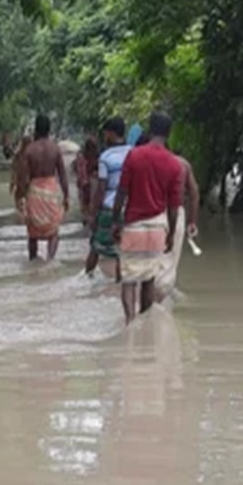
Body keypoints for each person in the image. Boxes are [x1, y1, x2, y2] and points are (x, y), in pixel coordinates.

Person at [111, 111, 184, 325]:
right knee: (149, 278)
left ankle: (130, 323)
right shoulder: (173, 164)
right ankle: (144, 322)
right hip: (157, 227)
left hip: (134, 225)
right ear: (169, 134)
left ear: (149, 129)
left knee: (129, 279)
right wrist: (170, 232)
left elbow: (122, 193)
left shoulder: (134, 156)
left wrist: (116, 221)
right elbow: (173, 206)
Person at [84, 118, 140, 279]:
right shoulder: (134, 153)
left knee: (95, 246)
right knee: (122, 253)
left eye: (105, 133)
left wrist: (92, 214)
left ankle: (87, 280)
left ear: (111, 133)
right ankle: (119, 287)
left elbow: (101, 189)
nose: (104, 136)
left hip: (109, 208)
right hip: (130, 209)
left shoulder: (106, 157)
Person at [20, 114, 70, 261]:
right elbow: (62, 175)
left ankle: (33, 261)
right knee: (53, 231)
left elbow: (23, 177)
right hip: (50, 190)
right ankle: (50, 260)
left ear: (36, 129)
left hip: (34, 191)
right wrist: (66, 196)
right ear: (49, 129)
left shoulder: (29, 150)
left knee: (32, 232)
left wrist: (22, 198)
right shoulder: (55, 149)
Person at [155, 151, 201, 303]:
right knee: (170, 259)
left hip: (153, 212)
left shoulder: (149, 162)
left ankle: (152, 304)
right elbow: (194, 193)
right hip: (176, 212)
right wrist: (192, 221)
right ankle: (162, 302)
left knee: (152, 259)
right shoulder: (183, 164)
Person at [73, 136, 100, 226]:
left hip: (84, 183)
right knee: (90, 201)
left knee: (85, 202)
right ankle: (89, 219)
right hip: (91, 183)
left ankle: (86, 218)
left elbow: (78, 170)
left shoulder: (82, 156)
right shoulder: (97, 156)